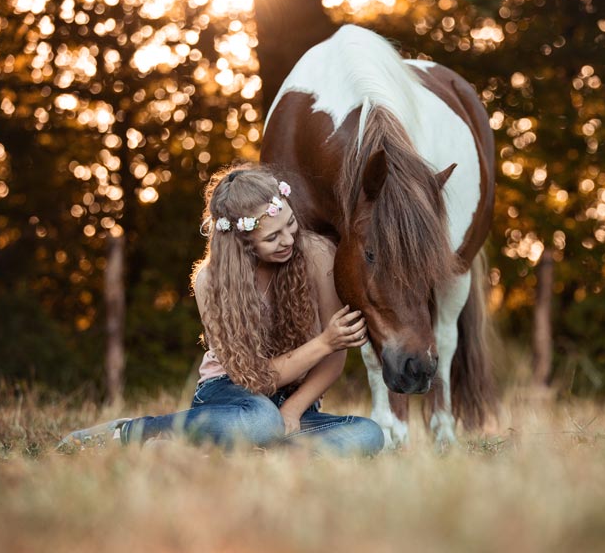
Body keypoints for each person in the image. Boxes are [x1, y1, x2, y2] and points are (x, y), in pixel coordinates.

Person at [59, 164, 385, 456]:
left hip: (293, 401)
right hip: (232, 397)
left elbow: (335, 356)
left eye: (290, 223)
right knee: (260, 419)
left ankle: (247, 453)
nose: (288, 238)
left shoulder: (317, 254)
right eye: (273, 236)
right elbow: (257, 377)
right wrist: (325, 342)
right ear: (243, 242)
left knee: (367, 434)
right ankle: (134, 431)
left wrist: (294, 409)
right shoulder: (210, 282)